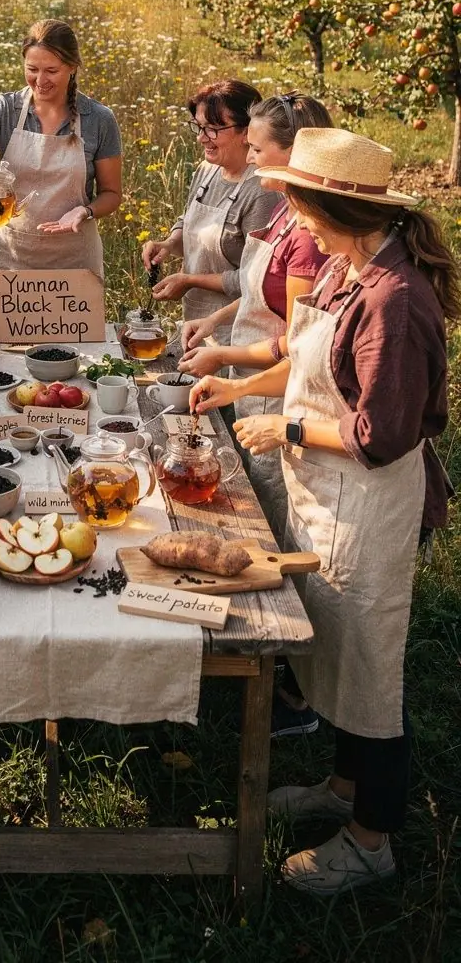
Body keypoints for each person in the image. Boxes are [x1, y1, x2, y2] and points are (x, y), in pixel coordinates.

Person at [190, 128, 457, 896]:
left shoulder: (393, 301)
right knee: (331, 652)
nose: (294, 223)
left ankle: (371, 839)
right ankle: (341, 789)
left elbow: (384, 433)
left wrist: (289, 429)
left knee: (369, 670)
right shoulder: (349, 271)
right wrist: (239, 392)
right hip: (325, 496)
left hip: (364, 506)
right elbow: (303, 365)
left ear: (330, 206)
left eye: (299, 206)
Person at [179, 93, 331, 545]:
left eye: (257, 149)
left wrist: (227, 360)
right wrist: (215, 325)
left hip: (278, 394)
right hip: (252, 381)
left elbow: (299, 344)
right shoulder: (287, 209)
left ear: (295, 152)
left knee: (270, 511)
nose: (249, 158)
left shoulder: (308, 238)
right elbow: (257, 293)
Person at [0, 19, 123, 314]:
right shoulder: (3, 110)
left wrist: (84, 211)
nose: (40, 80)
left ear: (72, 67)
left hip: (72, 266)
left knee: (72, 355)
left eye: (51, 71)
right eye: (32, 69)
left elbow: (111, 193)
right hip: (8, 259)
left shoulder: (99, 119)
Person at [142, 79, 281, 342]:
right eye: (199, 126)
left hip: (240, 333)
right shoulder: (208, 170)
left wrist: (190, 280)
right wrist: (169, 243)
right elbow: (188, 220)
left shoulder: (261, 192)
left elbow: (258, 280)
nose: (201, 138)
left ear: (246, 132)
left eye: (213, 129)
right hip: (198, 325)